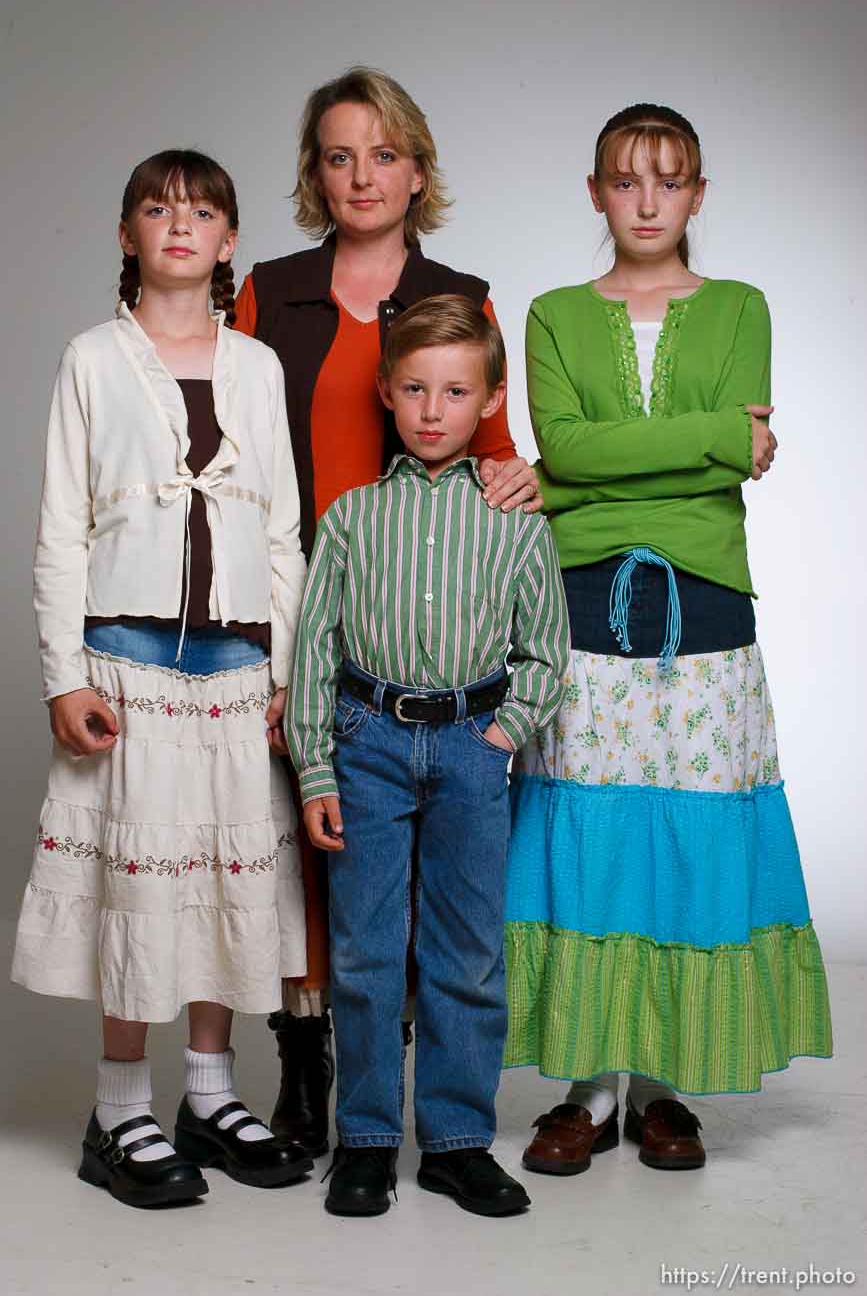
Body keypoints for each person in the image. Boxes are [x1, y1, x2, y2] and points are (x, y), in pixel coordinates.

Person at [504, 105, 832, 1176]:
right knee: (591, 827)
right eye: (626, 180)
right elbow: (568, 444)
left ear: (698, 193)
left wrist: (602, 469)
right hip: (586, 592)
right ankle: (591, 1087)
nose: (647, 201)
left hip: (708, 598)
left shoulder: (741, 305)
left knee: (686, 828)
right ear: (595, 191)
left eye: (669, 180)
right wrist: (700, 442)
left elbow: (716, 463)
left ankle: (664, 1085)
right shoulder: (553, 312)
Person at [233, 65, 543, 1157]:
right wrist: (267, 652)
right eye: (337, 154)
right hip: (296, 611)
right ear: (316, 174)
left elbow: (499, 463)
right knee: (298, 849)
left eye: (382, 152)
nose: (361, 174)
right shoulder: (268, 289)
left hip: (420, 636)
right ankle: (305, 1064)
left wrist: (531, 480)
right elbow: (234, 465)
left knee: (404, 876)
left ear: (418, 169)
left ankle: (417, 1077)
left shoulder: (460, 289)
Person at [11, 150, 312, 1208]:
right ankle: (120, 1106)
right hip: (128, 662)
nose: (179, 224)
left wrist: (286, 667)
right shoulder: (93, 359)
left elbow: (282, 529)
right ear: (129, 235)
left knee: (222, 886)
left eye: (201, 211)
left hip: (236, 667)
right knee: (138, 889)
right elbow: (58, 532)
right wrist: (61, 674)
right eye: (156, 208)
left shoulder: (258, 367)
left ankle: (211, 1092)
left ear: (229, 242)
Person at [286, 295, 568, 1216]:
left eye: (454, 391)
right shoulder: (352, 518)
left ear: (488, 400)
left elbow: (545, 652)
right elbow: (316, 650)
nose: (432, 410)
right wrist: (318, 768)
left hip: (471, 747)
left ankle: (454, 1140)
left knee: (466, 954)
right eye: (413, 389)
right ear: (385, 394)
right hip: (366, 743)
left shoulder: (516, 520)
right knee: (367, 952)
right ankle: (364, 1139)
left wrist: (501, 734)